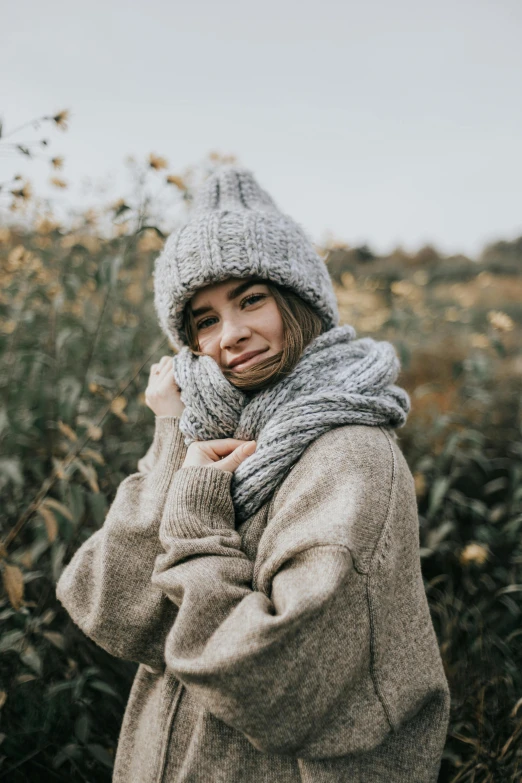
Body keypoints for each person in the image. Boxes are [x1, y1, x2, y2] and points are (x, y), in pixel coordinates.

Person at [55, 165, 451, 782]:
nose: (232, 335)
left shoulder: (350, 456)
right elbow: (109, 605)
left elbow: (273, 679)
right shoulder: (213, 434)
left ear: (299, 302)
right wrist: (172, 436)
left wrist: (195, 522)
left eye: (250, 300)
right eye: (204, 320)